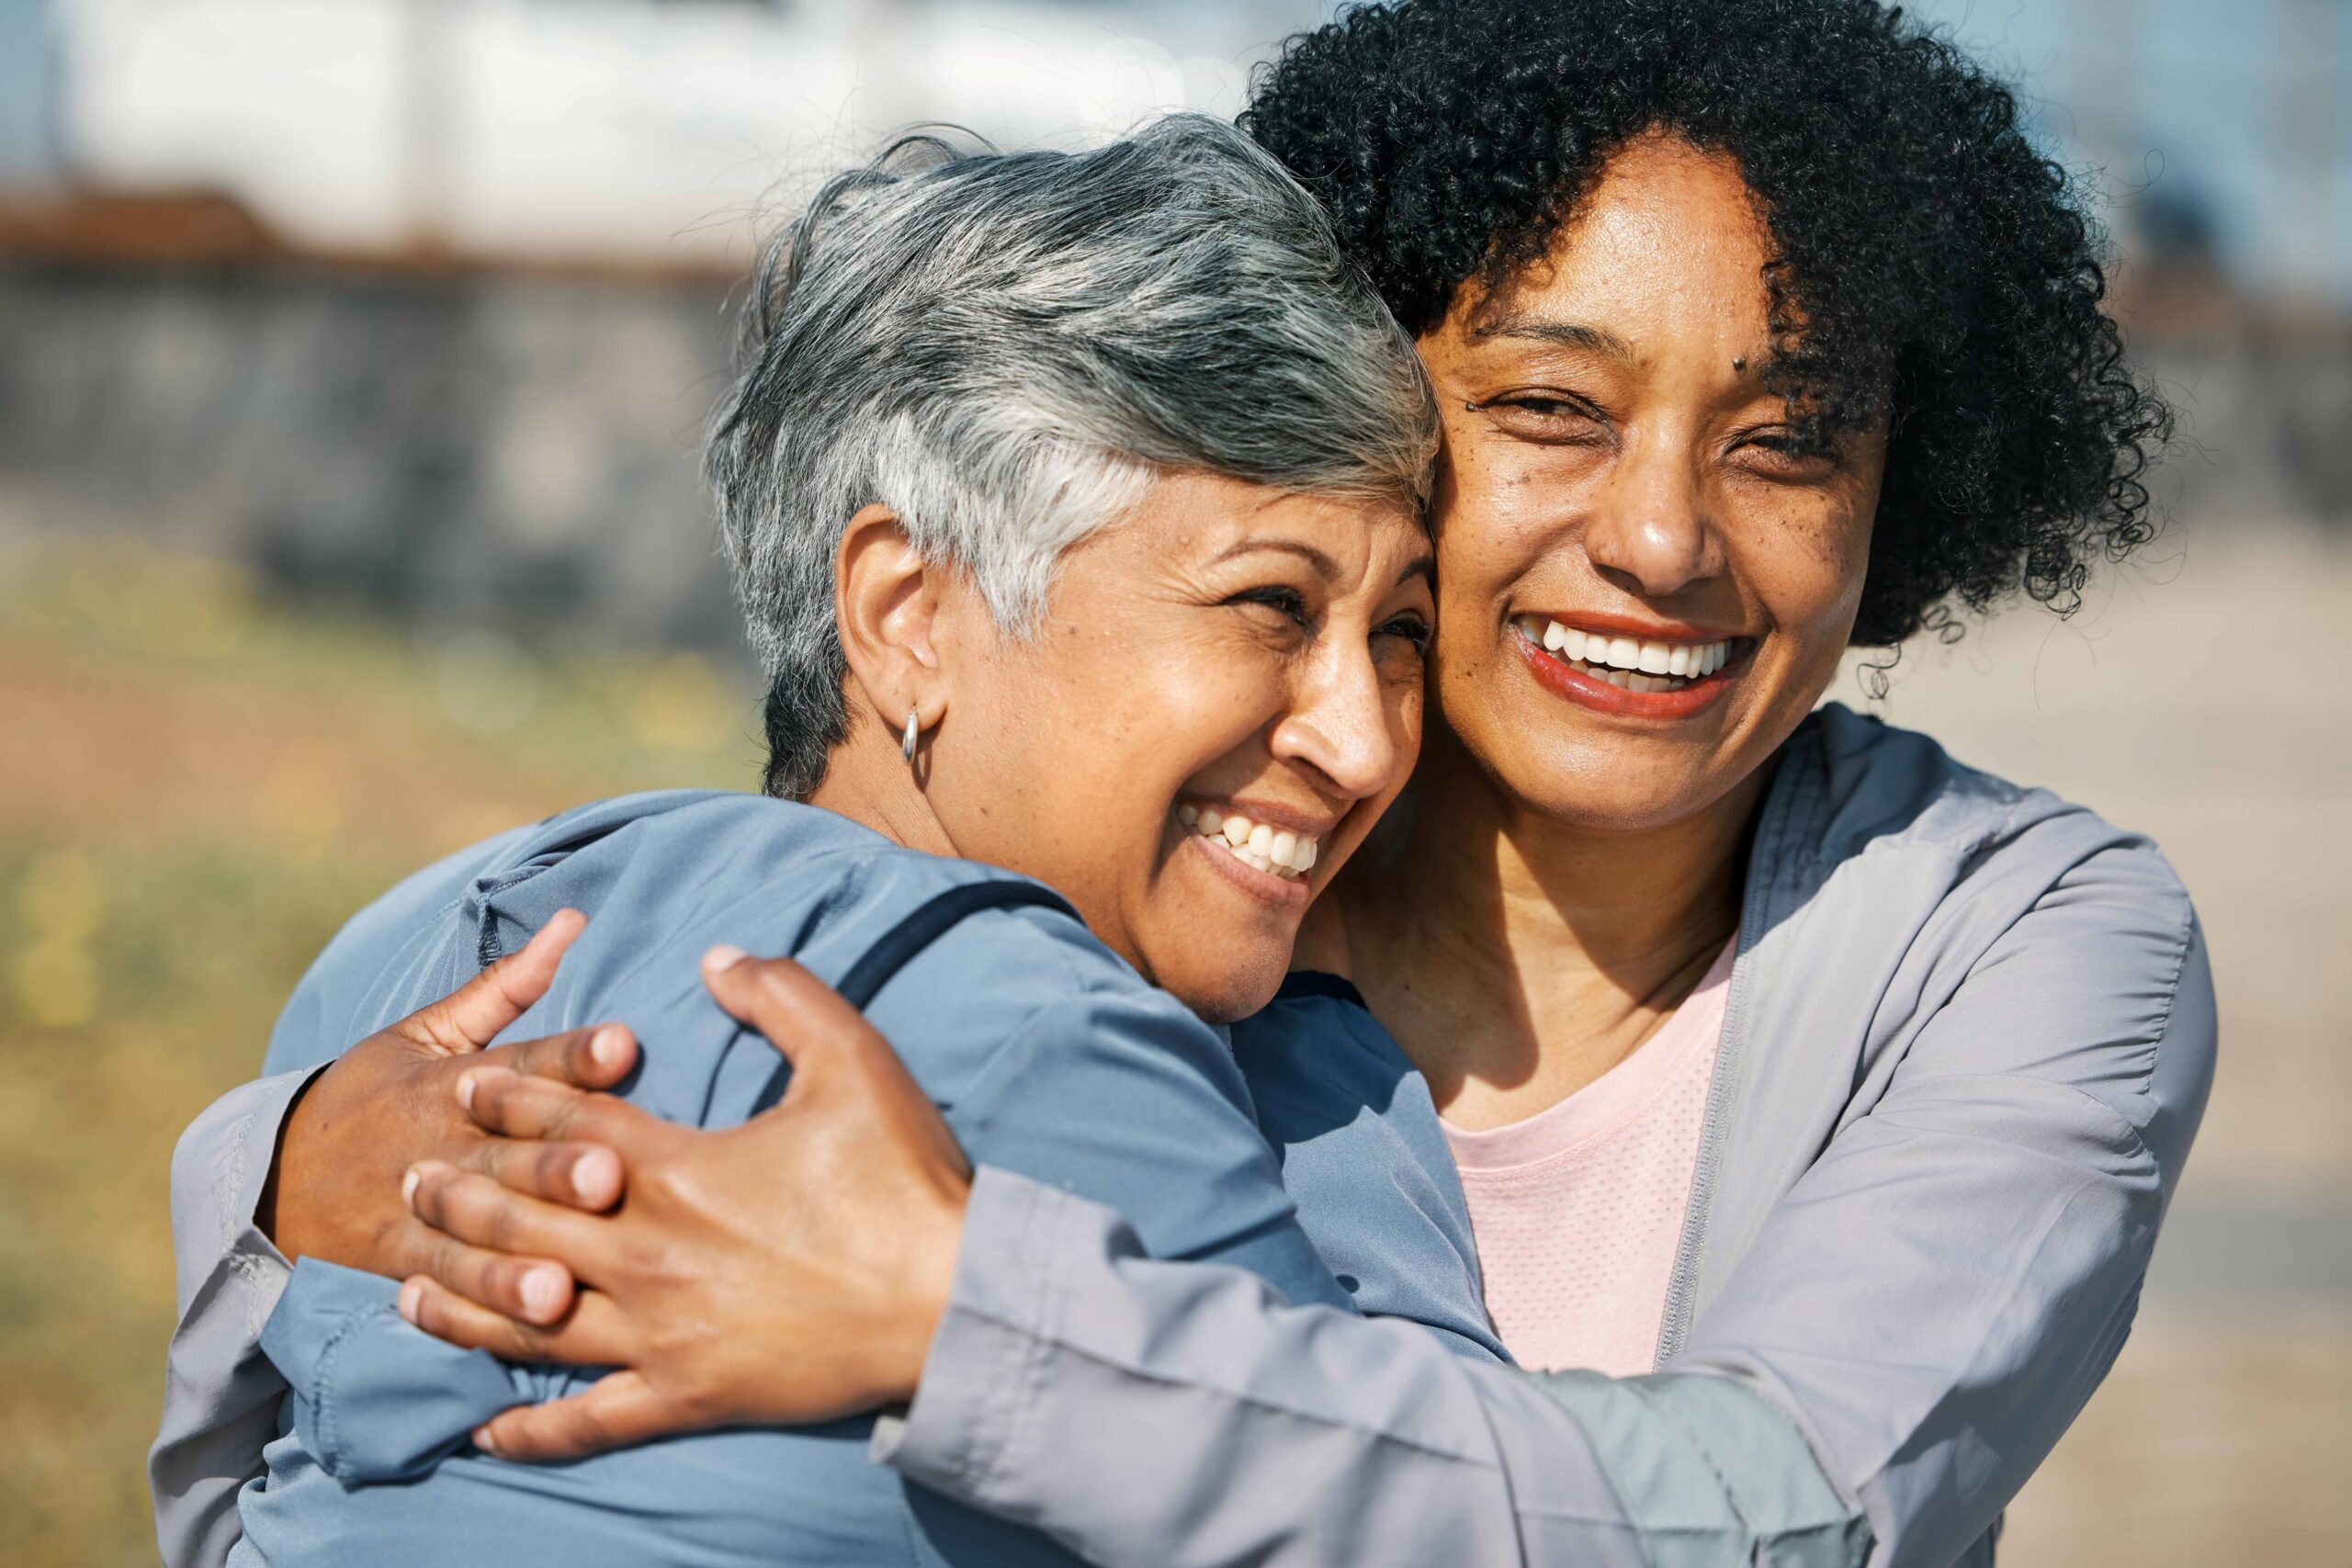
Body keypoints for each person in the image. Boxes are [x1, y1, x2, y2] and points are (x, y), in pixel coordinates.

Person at [364, 3, 2214, 1565]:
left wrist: (976, 1318)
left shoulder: (2017, 938)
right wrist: (285, 1158)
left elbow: (1782, 1515)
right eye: (1550, 408)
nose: (1660, 538)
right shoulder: (1177, 841)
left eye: (1785, 441)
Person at [148, 114, 1492, 1567]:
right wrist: (1331, 1063)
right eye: (1270, 605)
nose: (1366, 746)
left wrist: (252, 1163)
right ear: (908, 614)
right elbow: (1470, 1520)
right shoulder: (1058, 1051)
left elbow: (247, 1514)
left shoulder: (429, 950)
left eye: (1403, 631)